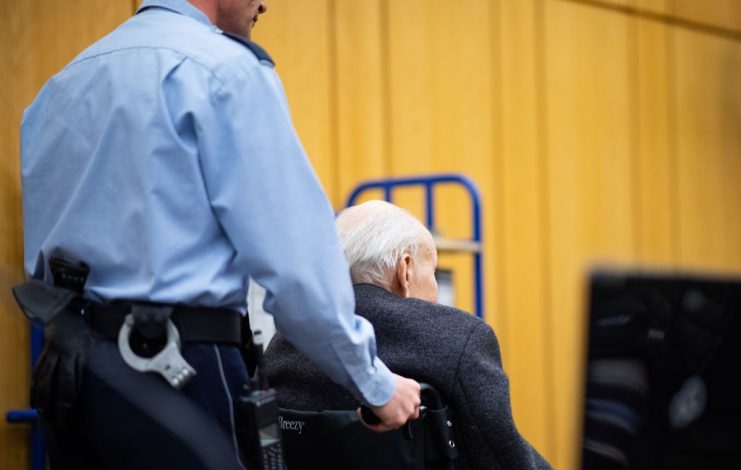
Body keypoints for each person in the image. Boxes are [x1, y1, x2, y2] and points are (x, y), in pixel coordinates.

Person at [19, 1, 419, 468]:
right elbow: (299, 274)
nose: (263, 4)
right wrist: (375, 383)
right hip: (179, 375)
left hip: (70, 379)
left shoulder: (58, 89)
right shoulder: (226, 72)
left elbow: (43, 265)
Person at [264, 200, 553, 469]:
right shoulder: (459, 338)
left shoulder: (282, 346)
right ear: (405, 270)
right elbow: (504, 457)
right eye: (434, 272)